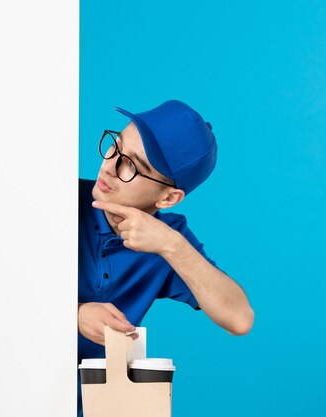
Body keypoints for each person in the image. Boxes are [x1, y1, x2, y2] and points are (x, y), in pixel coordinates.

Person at [77, 99, 254, 415]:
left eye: (133, 166)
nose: (110, 166)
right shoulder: (57, 199)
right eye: (115, 146)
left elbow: (239, 319)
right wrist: (72, 314)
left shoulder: (168, 239)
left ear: (169, 198)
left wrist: (171, 246)